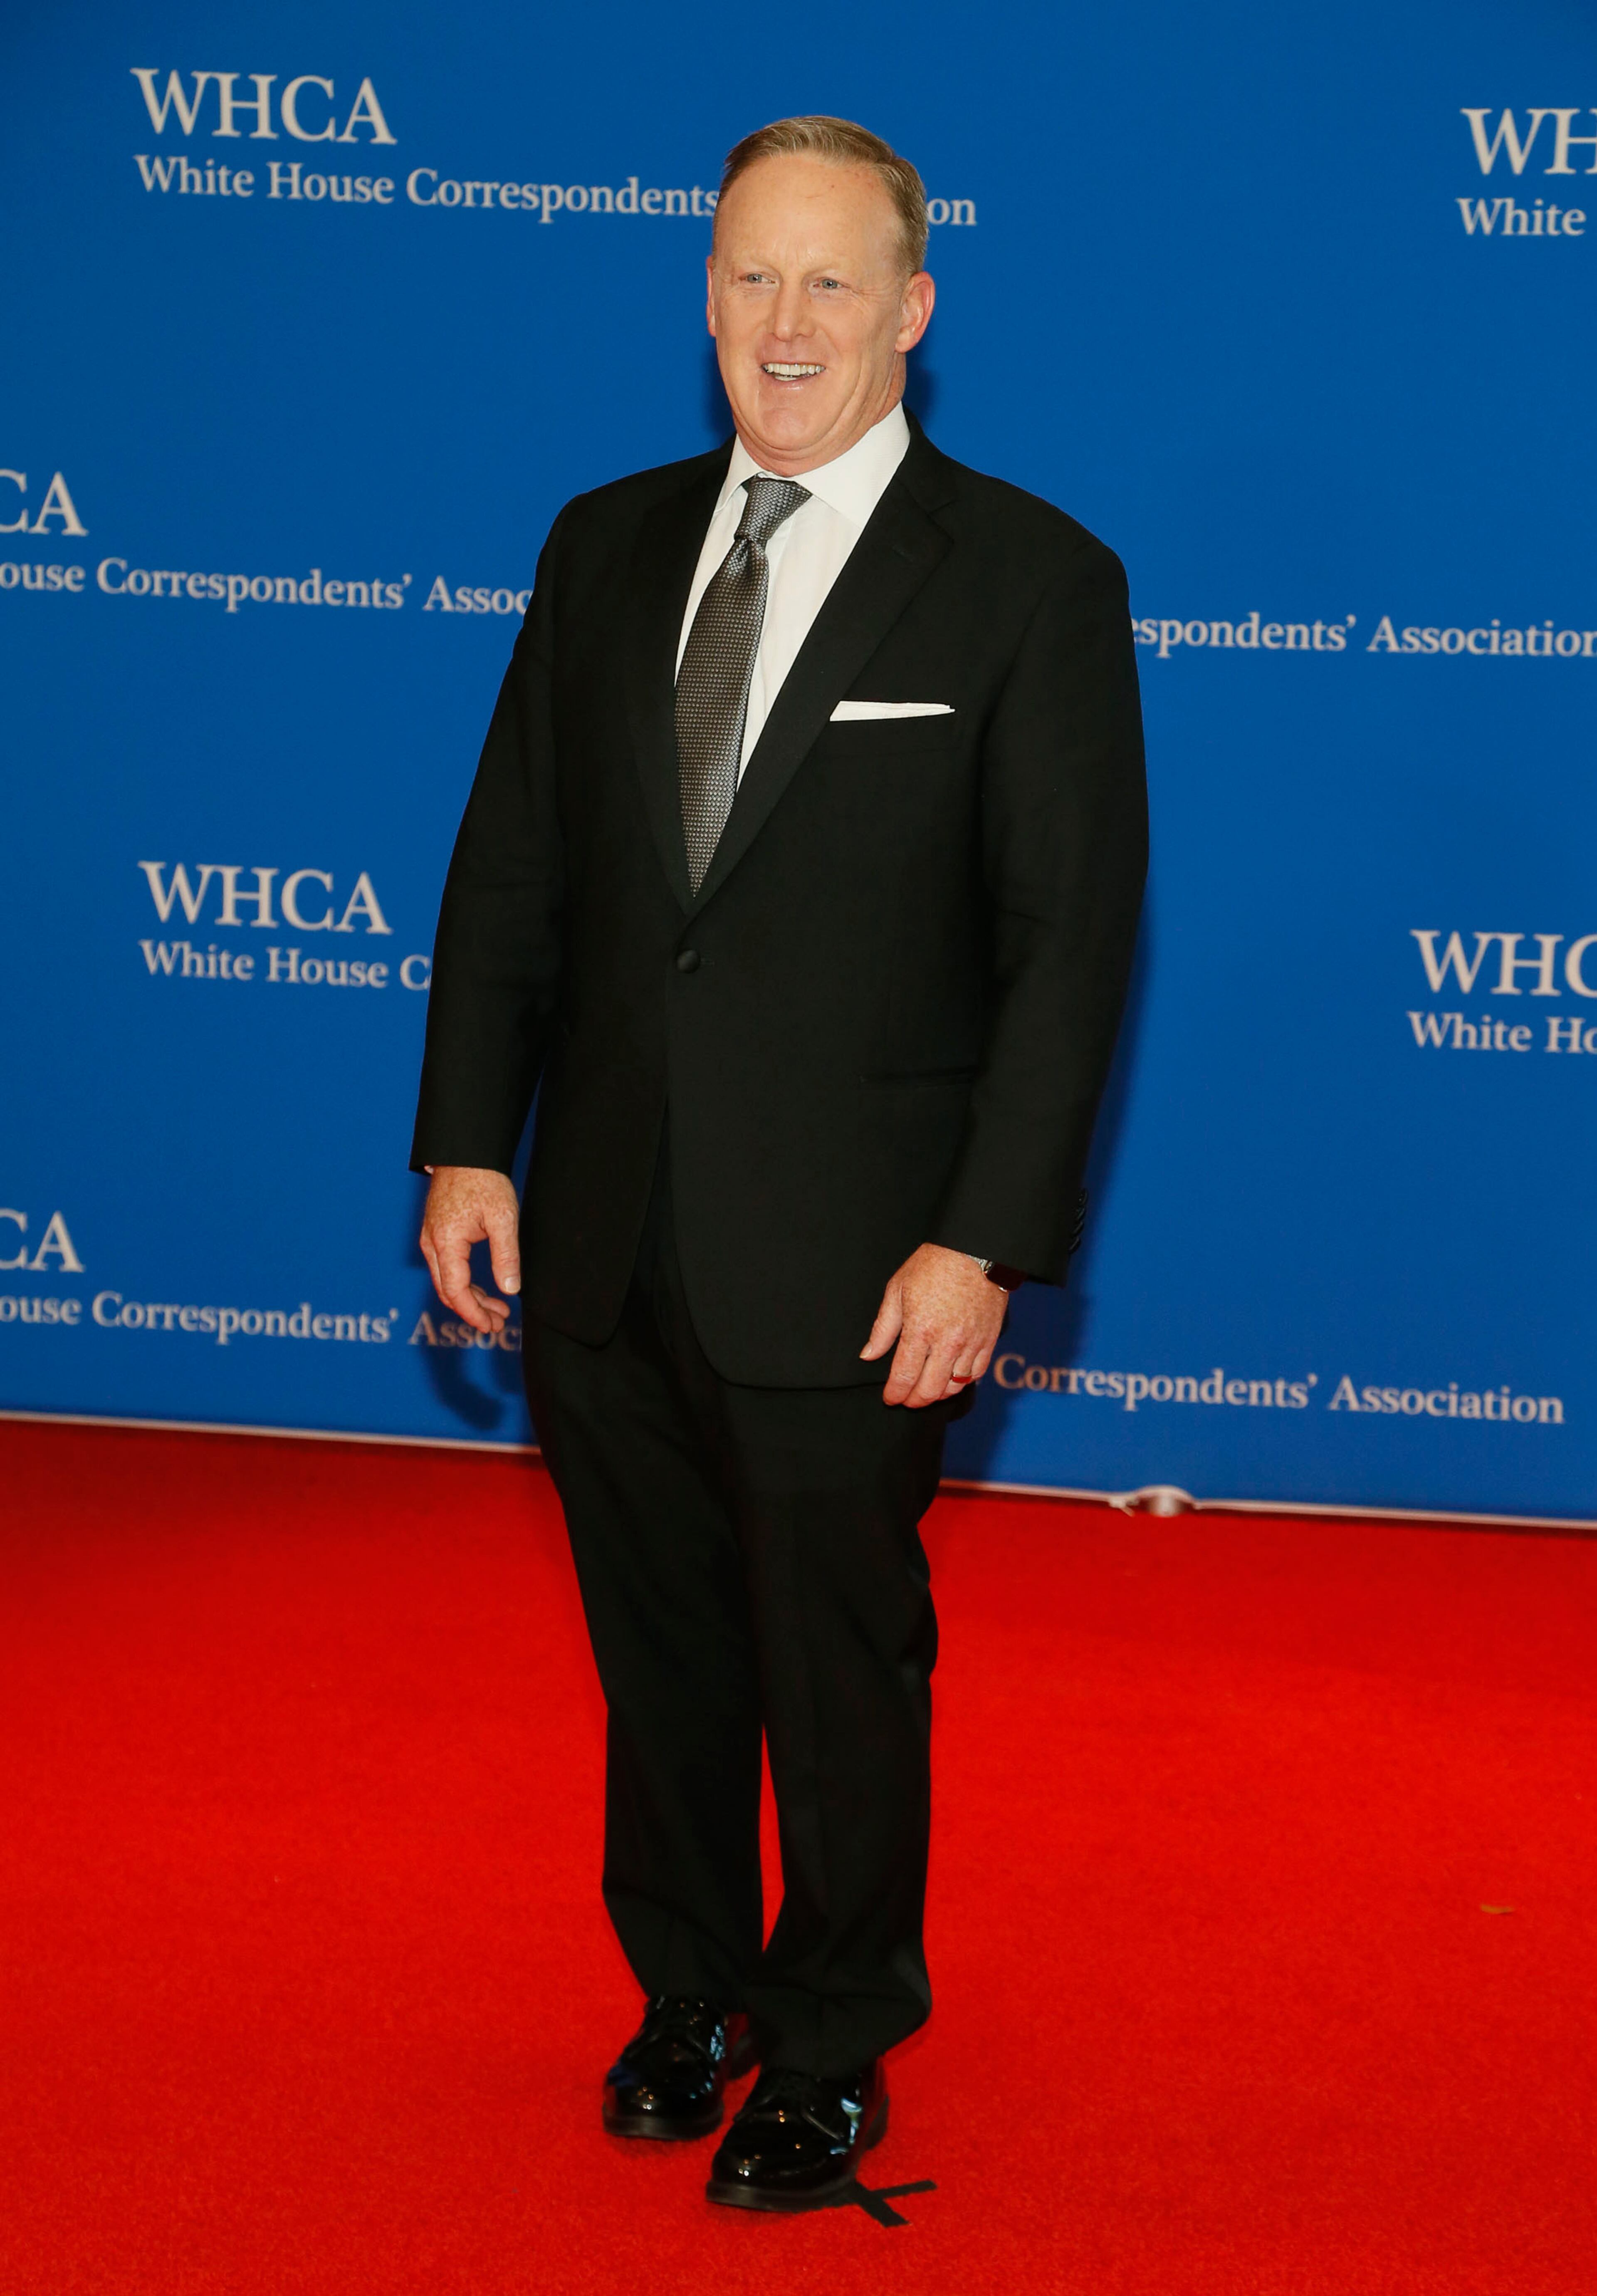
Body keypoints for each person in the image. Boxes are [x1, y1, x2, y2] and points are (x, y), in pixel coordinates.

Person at [412, 114, 1145, 2212]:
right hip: (612, 1236)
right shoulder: (604, 545)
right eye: (751, 278)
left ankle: (831, 2041)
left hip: (853, 1257)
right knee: (657, 1658)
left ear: (913, 311)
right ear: (705, 298)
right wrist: (472, 1139)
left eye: (833, 282)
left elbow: (1064, 947)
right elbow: (515, 873)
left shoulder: (1029, 580)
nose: (787, 323)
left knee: (835, 1674)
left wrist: (982, 1240)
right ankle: (693, 1990)